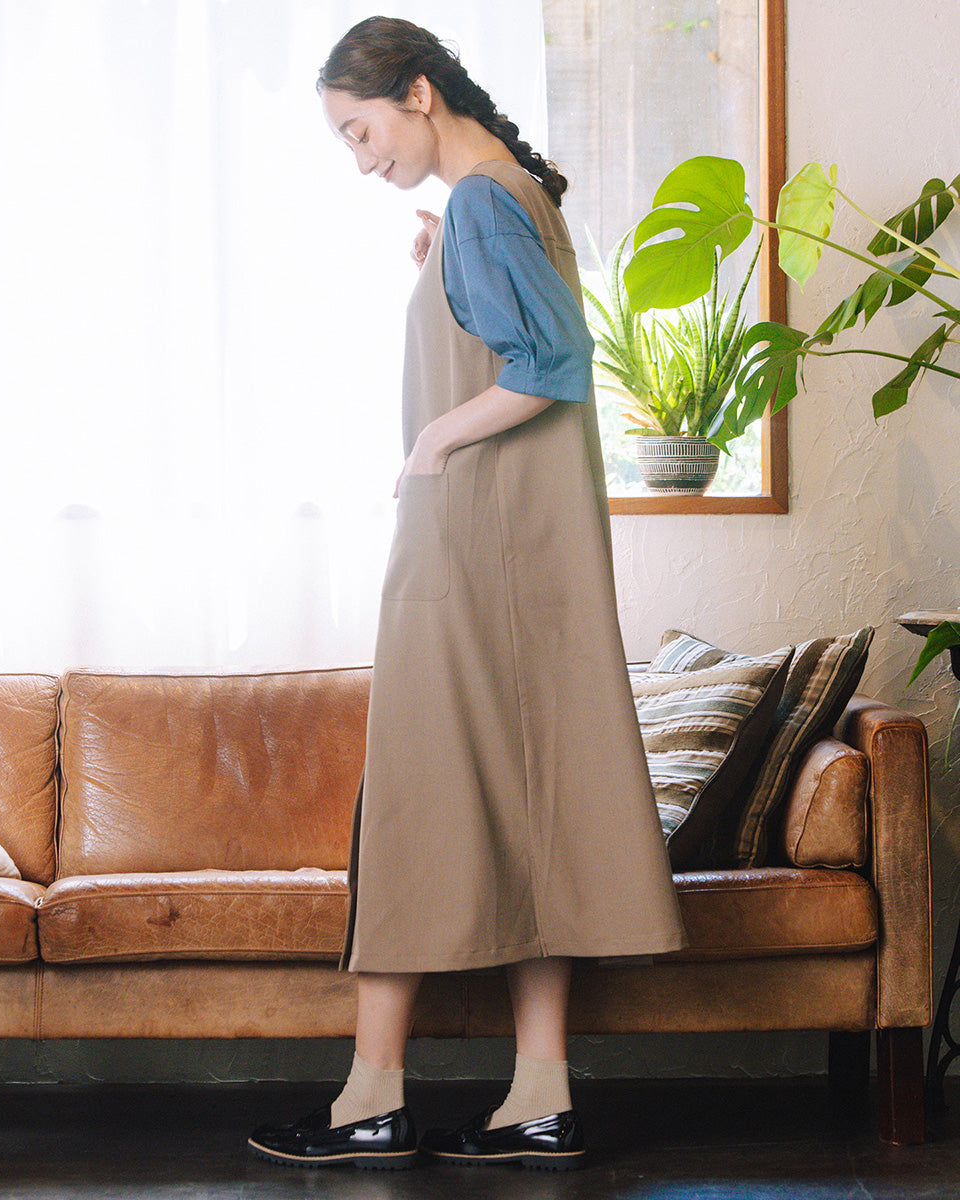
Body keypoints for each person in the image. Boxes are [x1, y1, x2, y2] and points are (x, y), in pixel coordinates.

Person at [248, 15, 686, 1171]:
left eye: (360, 131)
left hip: (468, 547)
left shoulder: (488, 203)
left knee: (413, 806)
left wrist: (432, 441)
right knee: (529, 811)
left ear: (418, 94)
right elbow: (522, 340)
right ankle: (537, 1095)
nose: (361, 161)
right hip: (524, 558)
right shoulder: (500, 202)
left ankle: (372, 1097)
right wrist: (445, 267)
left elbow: (550, 366)